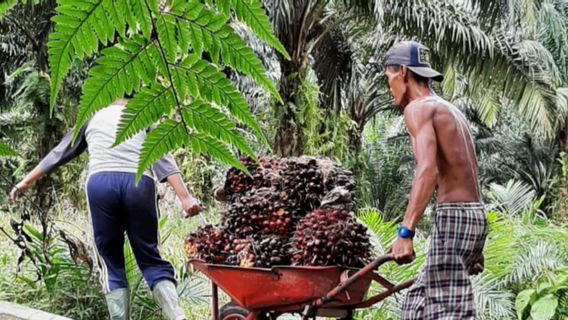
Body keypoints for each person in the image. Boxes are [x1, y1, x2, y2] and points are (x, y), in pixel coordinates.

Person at [9, 97, 203, 320]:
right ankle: (178, 317)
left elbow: (58, 153)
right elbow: (163, 158)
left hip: (101, 184)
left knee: (111, 263)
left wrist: (25, 182)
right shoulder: (145, 115)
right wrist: (185, 198)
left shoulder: (92, 114)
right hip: (139, 184)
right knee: (150, 258)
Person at [384, 41, 487, 319]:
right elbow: (469, 170)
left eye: (389, 77)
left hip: (454, 216)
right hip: (473, 216)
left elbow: (427, 169)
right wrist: (474, 244)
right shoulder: (449, 110)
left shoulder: (417, 109)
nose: (389, 85)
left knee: (448, 312)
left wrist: (405, 232)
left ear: (403, 72)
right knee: (417, 304)